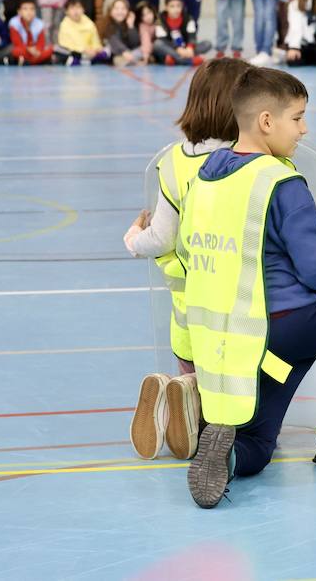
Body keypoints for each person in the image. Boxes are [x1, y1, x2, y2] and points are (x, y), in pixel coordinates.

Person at [180, 67, 316, 508]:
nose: (304, 129)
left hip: (236, 336)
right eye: (297, 118)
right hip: (287, 324)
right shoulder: (280, 181)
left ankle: (230, 458)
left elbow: (188, 252)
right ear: (266, 121)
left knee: (259, 443)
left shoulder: (206, 176)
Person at [122, 57, 253, 462]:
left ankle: (183, 388)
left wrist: (132, 238)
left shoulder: (173, 163)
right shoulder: (250, 161)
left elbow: (161, 237)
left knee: (195, 364)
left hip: (187, 304)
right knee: (238, 400)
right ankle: (200, 405)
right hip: (237, 305)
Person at [155, 0, 210, 66]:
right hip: (172, 48)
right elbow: (163, 39)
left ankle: (174, 60)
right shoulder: (160, 19)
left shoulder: (188, 18)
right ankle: (190, 61)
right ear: (166, 7)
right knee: (157, 44)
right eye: (172, 6)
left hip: (187, 48)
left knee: (207, 44)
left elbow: (192, 36)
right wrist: (178, 49)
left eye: (178, 6)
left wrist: (190, 48)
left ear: (182, 6)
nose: (176, 9)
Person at [56, 0, 112, 65]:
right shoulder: (64, 24)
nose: (76, 11)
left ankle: (82, 61)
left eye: (78, 7)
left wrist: (96, 49)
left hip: (90, 52)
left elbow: (95, 41)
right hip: (75, 52)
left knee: (107, 51)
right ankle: (87, 61)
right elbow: (64, 44)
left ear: (83, 9)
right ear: (66, 11)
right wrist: (83, 50)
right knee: (58, 50)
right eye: (72, 8)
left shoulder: (89, 23)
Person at [99, 0, 145, 66]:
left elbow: (134, 43)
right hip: (116, 54)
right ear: (110, 11)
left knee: (141, 51)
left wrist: (131, 26)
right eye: (116, 9)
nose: (120, 11)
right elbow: (114, 41)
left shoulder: (127, 23)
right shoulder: (108, 25)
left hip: (129, 53)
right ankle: (133, 61)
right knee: (117, 59)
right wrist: (124, 51)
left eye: (123, 9)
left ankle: (132, 60)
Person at [9, 0, 53, 65]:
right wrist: (28, 49)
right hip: (23, 50)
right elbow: (17, 43)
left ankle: (28, 62)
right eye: (25, 9)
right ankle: (35, 61)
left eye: (32, 9)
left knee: (50, 49)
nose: (29, 12)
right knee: (15, 51)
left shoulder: (39, 24)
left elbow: (41, 43)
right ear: (19, 12)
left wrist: (37, 51)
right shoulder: (14, 23)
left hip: (35, 51)